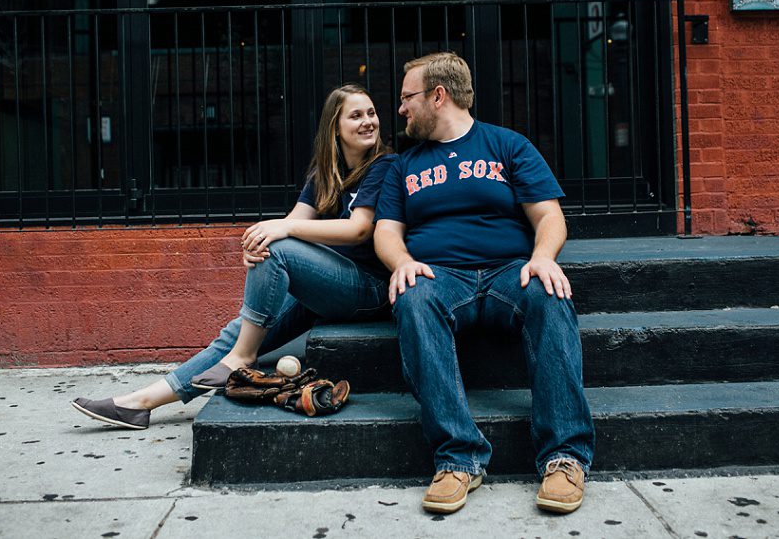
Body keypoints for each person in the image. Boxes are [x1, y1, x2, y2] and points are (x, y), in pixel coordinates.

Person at [72, 84, 394, 430]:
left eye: (371, 113)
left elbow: (359, 229)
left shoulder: (383, 165)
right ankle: (140, 403)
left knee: (275, 255)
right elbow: (290, 226)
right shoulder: (325, 175)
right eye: (356, 115)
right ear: (335, 127)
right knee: (236, 331)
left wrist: (280, 233)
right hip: (327, 290)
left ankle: (243, 356)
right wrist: (260, 244)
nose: (368, 121)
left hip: (368, 288)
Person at [373, 52, 595, 515]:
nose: (400, 108)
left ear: (438, 95)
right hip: (440, 277)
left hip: (509, 273)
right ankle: (458, 458)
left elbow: (549, 216)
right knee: (413, 297)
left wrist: (542, 258)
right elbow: (386, 231)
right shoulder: (402, 166)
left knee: (550, 292)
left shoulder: (508, 146)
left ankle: (565, 457)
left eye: (407, 97)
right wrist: (403, 262)